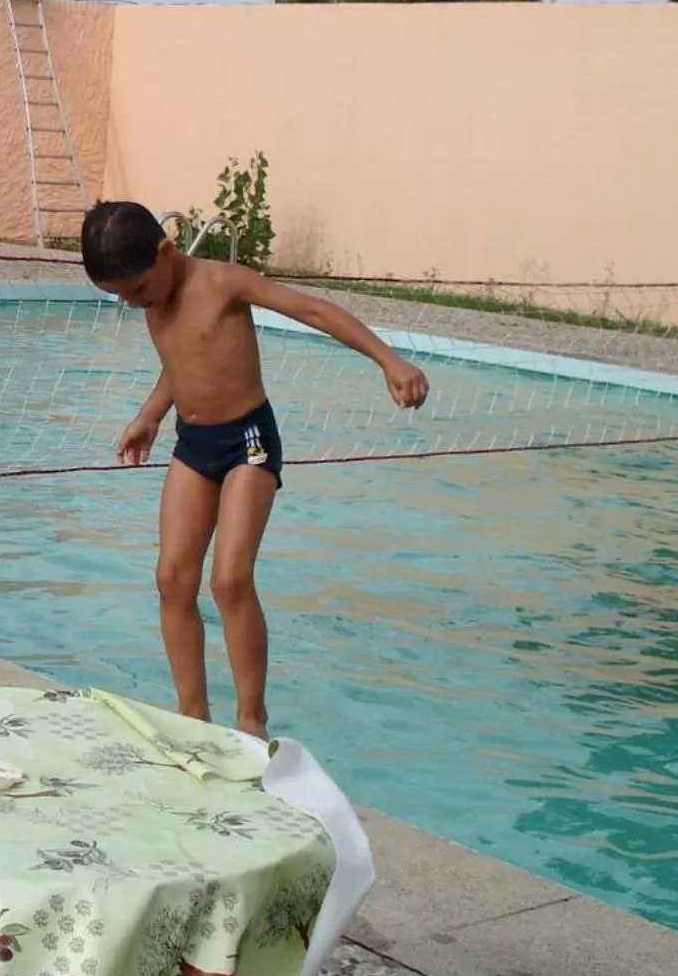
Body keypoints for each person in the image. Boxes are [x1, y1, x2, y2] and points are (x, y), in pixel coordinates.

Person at [80, 200, 430, 739]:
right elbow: (183, 360)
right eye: (121, 297)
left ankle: (251, 720)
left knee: (229, 579)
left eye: (138, 290)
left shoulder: (223, 283)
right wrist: (150, 415)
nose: (133, 303)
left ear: (166, 251)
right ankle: (193, 715)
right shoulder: (154, 299)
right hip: (193, 443)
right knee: (172, 578)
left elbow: (314, 310)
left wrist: (390, 360)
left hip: (248, 443)